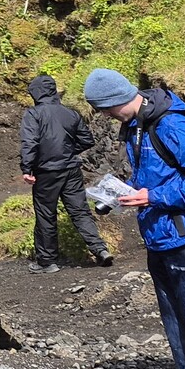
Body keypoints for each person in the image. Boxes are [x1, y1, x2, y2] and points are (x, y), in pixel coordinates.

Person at [85, 67, 185, 369]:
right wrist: (124, 193)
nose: (103, 115)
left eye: (103, 108)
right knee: (179, 326)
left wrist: (153, 196)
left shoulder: (170, 123)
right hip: (162, 240)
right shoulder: (136, 127)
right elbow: (157, 176)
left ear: (115, 99)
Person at [19, 73, 111, 272]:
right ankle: (100, 250)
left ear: (35, 94)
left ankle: (47, 262)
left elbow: (30, 142)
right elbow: (87, 140)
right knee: (80, 211)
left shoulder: (33, 114)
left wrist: (27, 168)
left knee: (45, 214)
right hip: (71, 169)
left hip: (45, 172)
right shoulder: (70, 113)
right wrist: (67, 150)